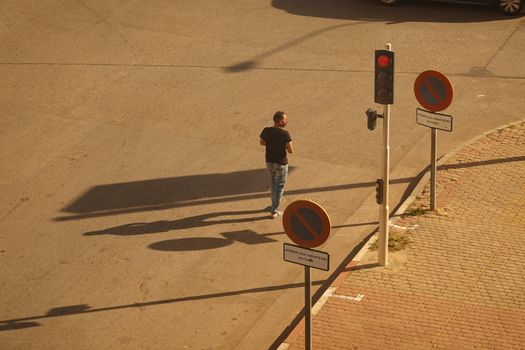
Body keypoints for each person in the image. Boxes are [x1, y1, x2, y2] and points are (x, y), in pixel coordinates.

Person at [259, 111, 293, 218]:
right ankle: (274, 210)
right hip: (281, 164)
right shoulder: (285, 134)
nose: (286, 121)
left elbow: (261, 142)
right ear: (281, 121)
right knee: (279, 186)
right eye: (285, 120)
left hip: (269, 162)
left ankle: (273, 204)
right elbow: (290, 150)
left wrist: (271, 143)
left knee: (273, 183)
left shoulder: (266, 130)